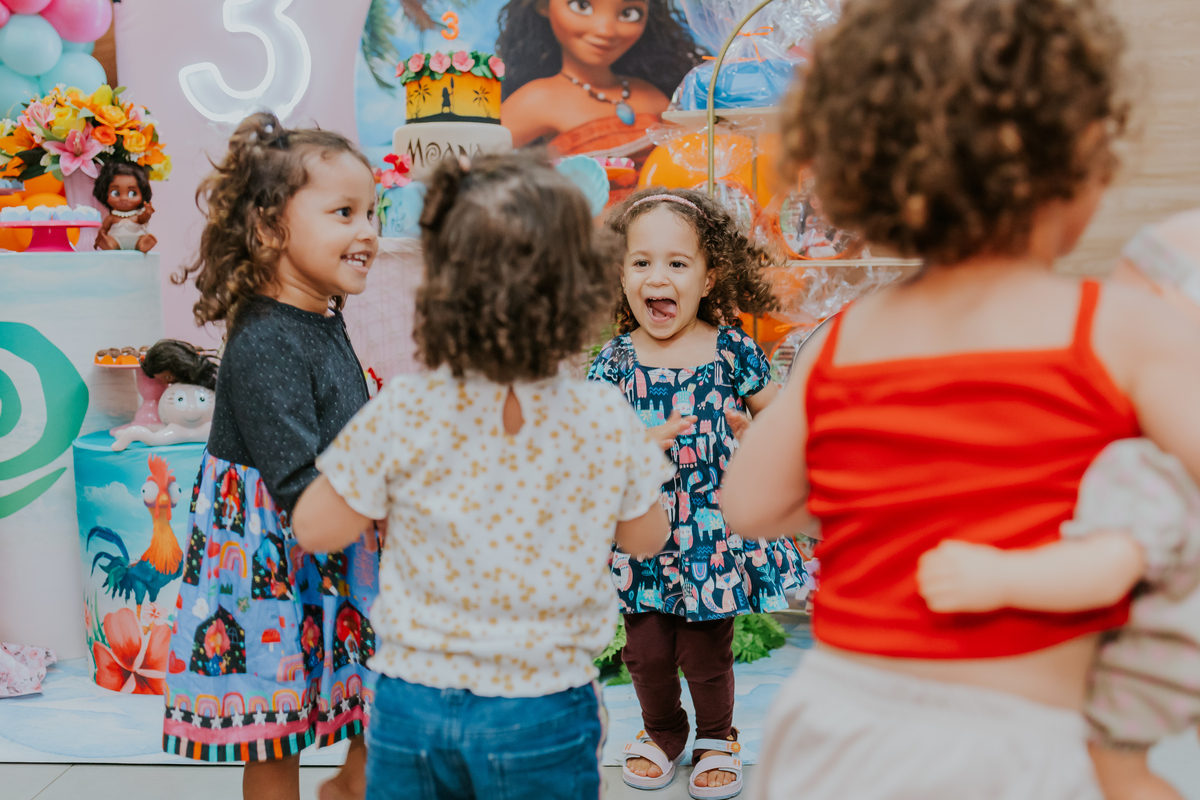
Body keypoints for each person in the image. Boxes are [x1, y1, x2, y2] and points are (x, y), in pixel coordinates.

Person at [720, 0, 1200, 798]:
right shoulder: (1115, 329)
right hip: (1010, 736)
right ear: (1081, 155)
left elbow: (747, 505)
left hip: (836, 722)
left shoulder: (846, 338)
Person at [289, 152, 676, 800]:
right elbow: (646, 539)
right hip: (544, 705)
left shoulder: (406, 409)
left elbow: (316, 528)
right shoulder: (603, 417)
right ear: (579, 288)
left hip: (415, 702)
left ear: (441, 293)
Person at [161, 112, 381, 800]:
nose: (367, 232)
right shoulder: (264, 344)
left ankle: (350, 785)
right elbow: (292, 479)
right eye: (344, 212)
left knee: (380, 693)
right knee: (272, 727)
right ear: (268, 230)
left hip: (336, 533)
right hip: (266, 566)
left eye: (374, 212)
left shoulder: (323, 314)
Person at [588, 187, 802, 799]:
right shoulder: (614, 363)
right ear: (621, 275)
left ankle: (717, 734)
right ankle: (662, 730)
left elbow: (783, 422)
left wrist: (752, 433)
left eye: (678, 263)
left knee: (707, 652)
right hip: (643, 535)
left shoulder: (732, 350)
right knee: (647, 654)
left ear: (709, 278)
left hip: (711, 535)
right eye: (642, 262)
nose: (659, 276)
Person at [497, 0, 703, 157]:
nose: (606, 30)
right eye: (582, 5)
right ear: (542, 5)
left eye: (628, 13)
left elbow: (694, 163)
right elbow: (473, 166)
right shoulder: (537, 100)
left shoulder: (652, 96)